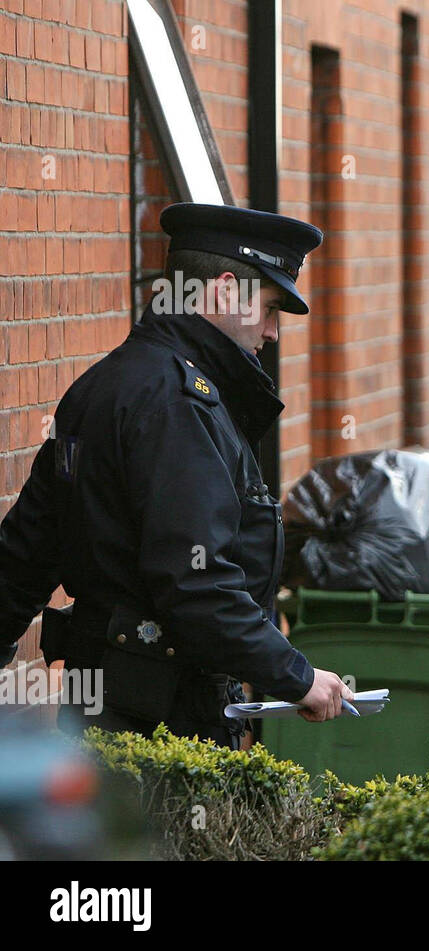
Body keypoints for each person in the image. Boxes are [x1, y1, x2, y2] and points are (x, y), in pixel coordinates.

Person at [0, 203, 353, 748]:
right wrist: (296, 676)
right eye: (270, 308)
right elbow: (196, 578)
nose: (273, 331)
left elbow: (24, 553)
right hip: (169, 721)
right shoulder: (176, 404)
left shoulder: (105, 385)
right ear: (224, 291)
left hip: (108, 710)